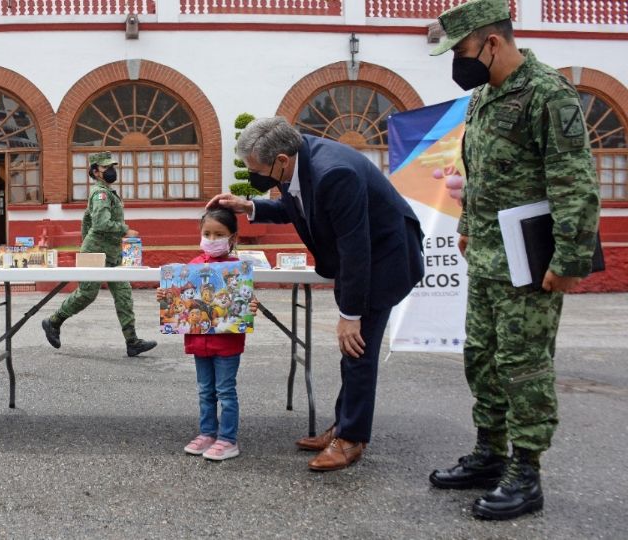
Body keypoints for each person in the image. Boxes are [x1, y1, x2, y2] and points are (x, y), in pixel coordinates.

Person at [427, 0, 600, 520]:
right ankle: (489, 453)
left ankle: (526, 473)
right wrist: (464, 226)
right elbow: (477, 172)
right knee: (480, 357)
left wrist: (568, 261)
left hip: (531, 261)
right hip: (485, 254)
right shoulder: (482, 97)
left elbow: (575, 183)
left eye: (461, 49)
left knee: (523, 366)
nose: (458, 61)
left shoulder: (548, 93)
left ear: (492, 42)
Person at [208, 117, 424, 471]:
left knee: (358, 349)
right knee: (352, 352)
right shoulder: (299, 156)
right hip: (364, 256)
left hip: (384, 260)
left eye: (256, 169)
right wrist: (251, 207)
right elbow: (300, 208)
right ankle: (344, 424)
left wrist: (349, 315)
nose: (254, 175)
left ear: (279, 160)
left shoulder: (334, 173)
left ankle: (351, 439)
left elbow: (355, 247)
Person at [157, 208, 258, 461]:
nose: (212, 240)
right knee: (205, 390)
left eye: (219, 234)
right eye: (207, 234)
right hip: (198, 341)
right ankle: (207, 433)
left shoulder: (237, 270)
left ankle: (228, 439)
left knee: (225, 391)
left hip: (227, 343)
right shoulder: (191, 266)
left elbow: (244, 301)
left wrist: (251, 306)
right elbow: (179, 299)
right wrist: (166, 296)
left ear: (232, 237)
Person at [41, 152, 157, 358]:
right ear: (95, 172)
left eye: (112, 166)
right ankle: (53, 321)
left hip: (111, 253)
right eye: (106, 168)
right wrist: (124, 230)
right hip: (95, 251)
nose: (112, 171)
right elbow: (100, 223)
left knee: (124, 294)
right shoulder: (100, 194)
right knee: (87, 294)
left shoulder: (108, 192)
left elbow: (85, 221)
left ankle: (132, 341)